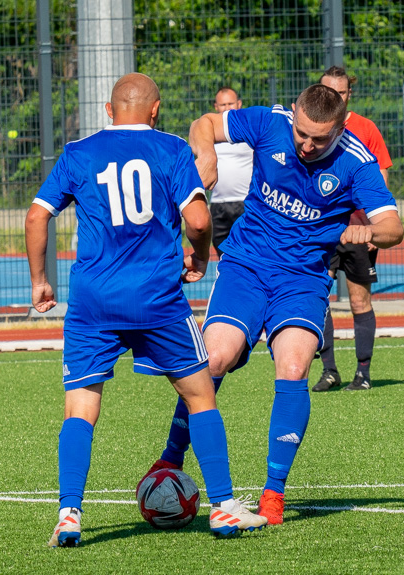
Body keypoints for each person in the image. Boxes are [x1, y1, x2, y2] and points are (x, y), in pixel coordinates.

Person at [143, 83, 403, 526]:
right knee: (213, 359)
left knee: (294, 367)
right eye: (302, 133)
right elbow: (204, 124)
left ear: (340, 128)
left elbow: (394, 227)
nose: (306, 144)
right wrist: (205, 155)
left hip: (301, 279)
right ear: (295, 118)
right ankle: (170, 458)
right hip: (246, 266)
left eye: (319, 139)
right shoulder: (271, 122)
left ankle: (273, 492)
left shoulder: (357, 162)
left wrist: (368, 232)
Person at [25, 73, 267, 547]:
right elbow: (198, 220)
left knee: (80, 408)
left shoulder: (78, 152)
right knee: (200, 397)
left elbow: (38, 215)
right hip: (157, 299)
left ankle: (69, 515)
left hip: (94, 300)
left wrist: (39, 281)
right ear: (155, 111)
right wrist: (197, 255)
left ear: (109, 111)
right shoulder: (171, 149)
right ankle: (223, 508)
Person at [312, 66, 394, 392]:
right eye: (329, 92)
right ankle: (329, 370)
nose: (335, 97)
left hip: (359, 232)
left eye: (341, 93)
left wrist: (376, 228)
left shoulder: (365, 129)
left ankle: (363, 373)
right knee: (318, 297)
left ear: (349, 95)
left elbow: (382, 177)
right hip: (323, 230)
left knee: (360, 301)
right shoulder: (310, 128)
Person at [210, 87, 254, 256]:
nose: (227, 108)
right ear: (216, 106)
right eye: (223, 104)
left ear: (239, 104)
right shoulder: (209, 133)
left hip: (245, 203)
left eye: (231, 103)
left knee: (247, 255)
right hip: (218, 204)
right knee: (223, 256)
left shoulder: (250, 130)